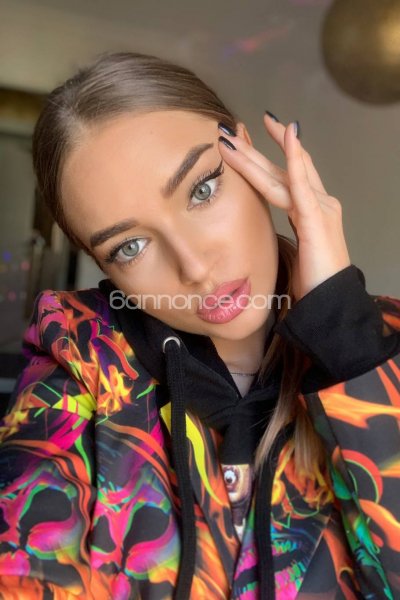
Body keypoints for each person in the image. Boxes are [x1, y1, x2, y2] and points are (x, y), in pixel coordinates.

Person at [0, 51, 399, 600]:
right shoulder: (80, 357)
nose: (193, 267)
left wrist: (345, 335)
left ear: (246, 153)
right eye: (130, 246)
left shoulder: (384, 347)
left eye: (202, 190)